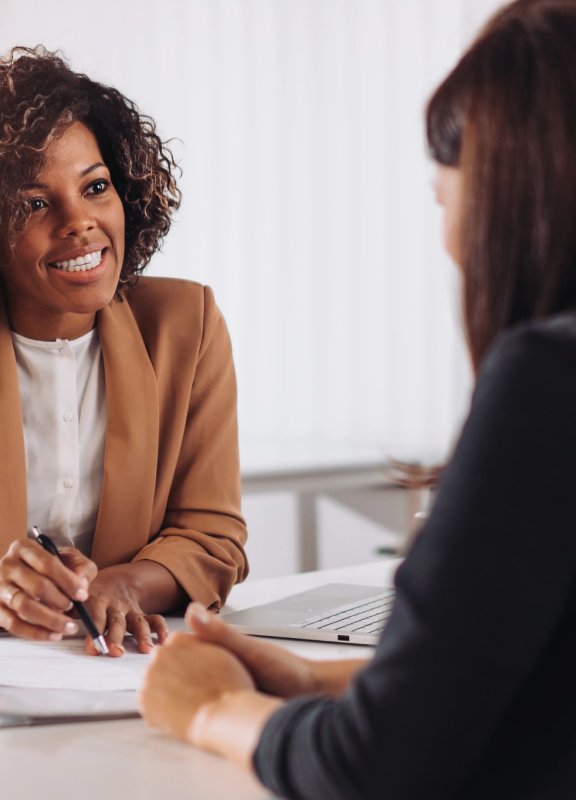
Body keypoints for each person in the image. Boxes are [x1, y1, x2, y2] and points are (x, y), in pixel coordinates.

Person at [139, 0, 576, 795]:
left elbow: (377, 770)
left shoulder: (548, 381)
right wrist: (318, 684)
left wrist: (213, 710)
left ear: (513, 178)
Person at [0, 47, 247, 657]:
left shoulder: (185, 325)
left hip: (126, 665)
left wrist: (124, 585)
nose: (80, 222)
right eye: (35, 203)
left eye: (96, 187)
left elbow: (210, 536)